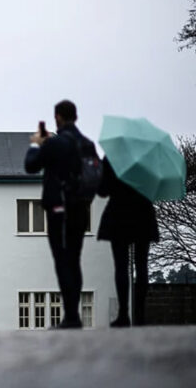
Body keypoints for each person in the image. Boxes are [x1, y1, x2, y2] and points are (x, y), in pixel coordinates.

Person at [25, 99, 95, 329]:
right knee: (75, 260)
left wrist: (36, 143)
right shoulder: (87, 143)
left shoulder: (56, 144)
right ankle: (73, 315)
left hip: (60, 209)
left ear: (57, 117)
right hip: (81, 208)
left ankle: (72, 317)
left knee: (62, 261)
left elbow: (31, 166)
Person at [97, 158, 159, 327]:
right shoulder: (148, 159)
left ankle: (123, 313)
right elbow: (155, 186)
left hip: (119, 213)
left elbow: (102, 190)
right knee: (142, 264)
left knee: (121, 266)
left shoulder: (113, 158)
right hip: (143, 212)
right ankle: (140, 315)